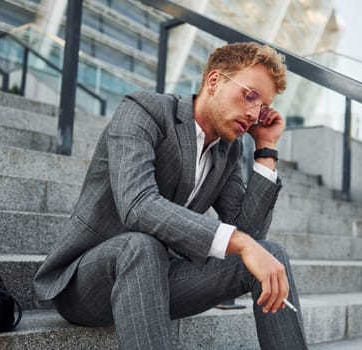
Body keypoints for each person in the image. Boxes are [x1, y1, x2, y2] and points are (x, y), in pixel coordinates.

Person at [34, 42, 308, 349]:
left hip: (160, 281)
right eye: (250, 95)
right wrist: (241, 243)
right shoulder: (144, 110)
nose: (254, 114)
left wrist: (266, 150)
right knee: (141, 246)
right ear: (214, 81)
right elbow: (137, 206)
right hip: (88, 284)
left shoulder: (228, 150)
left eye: (263, 107)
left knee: (272, 255)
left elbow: (251, 237)